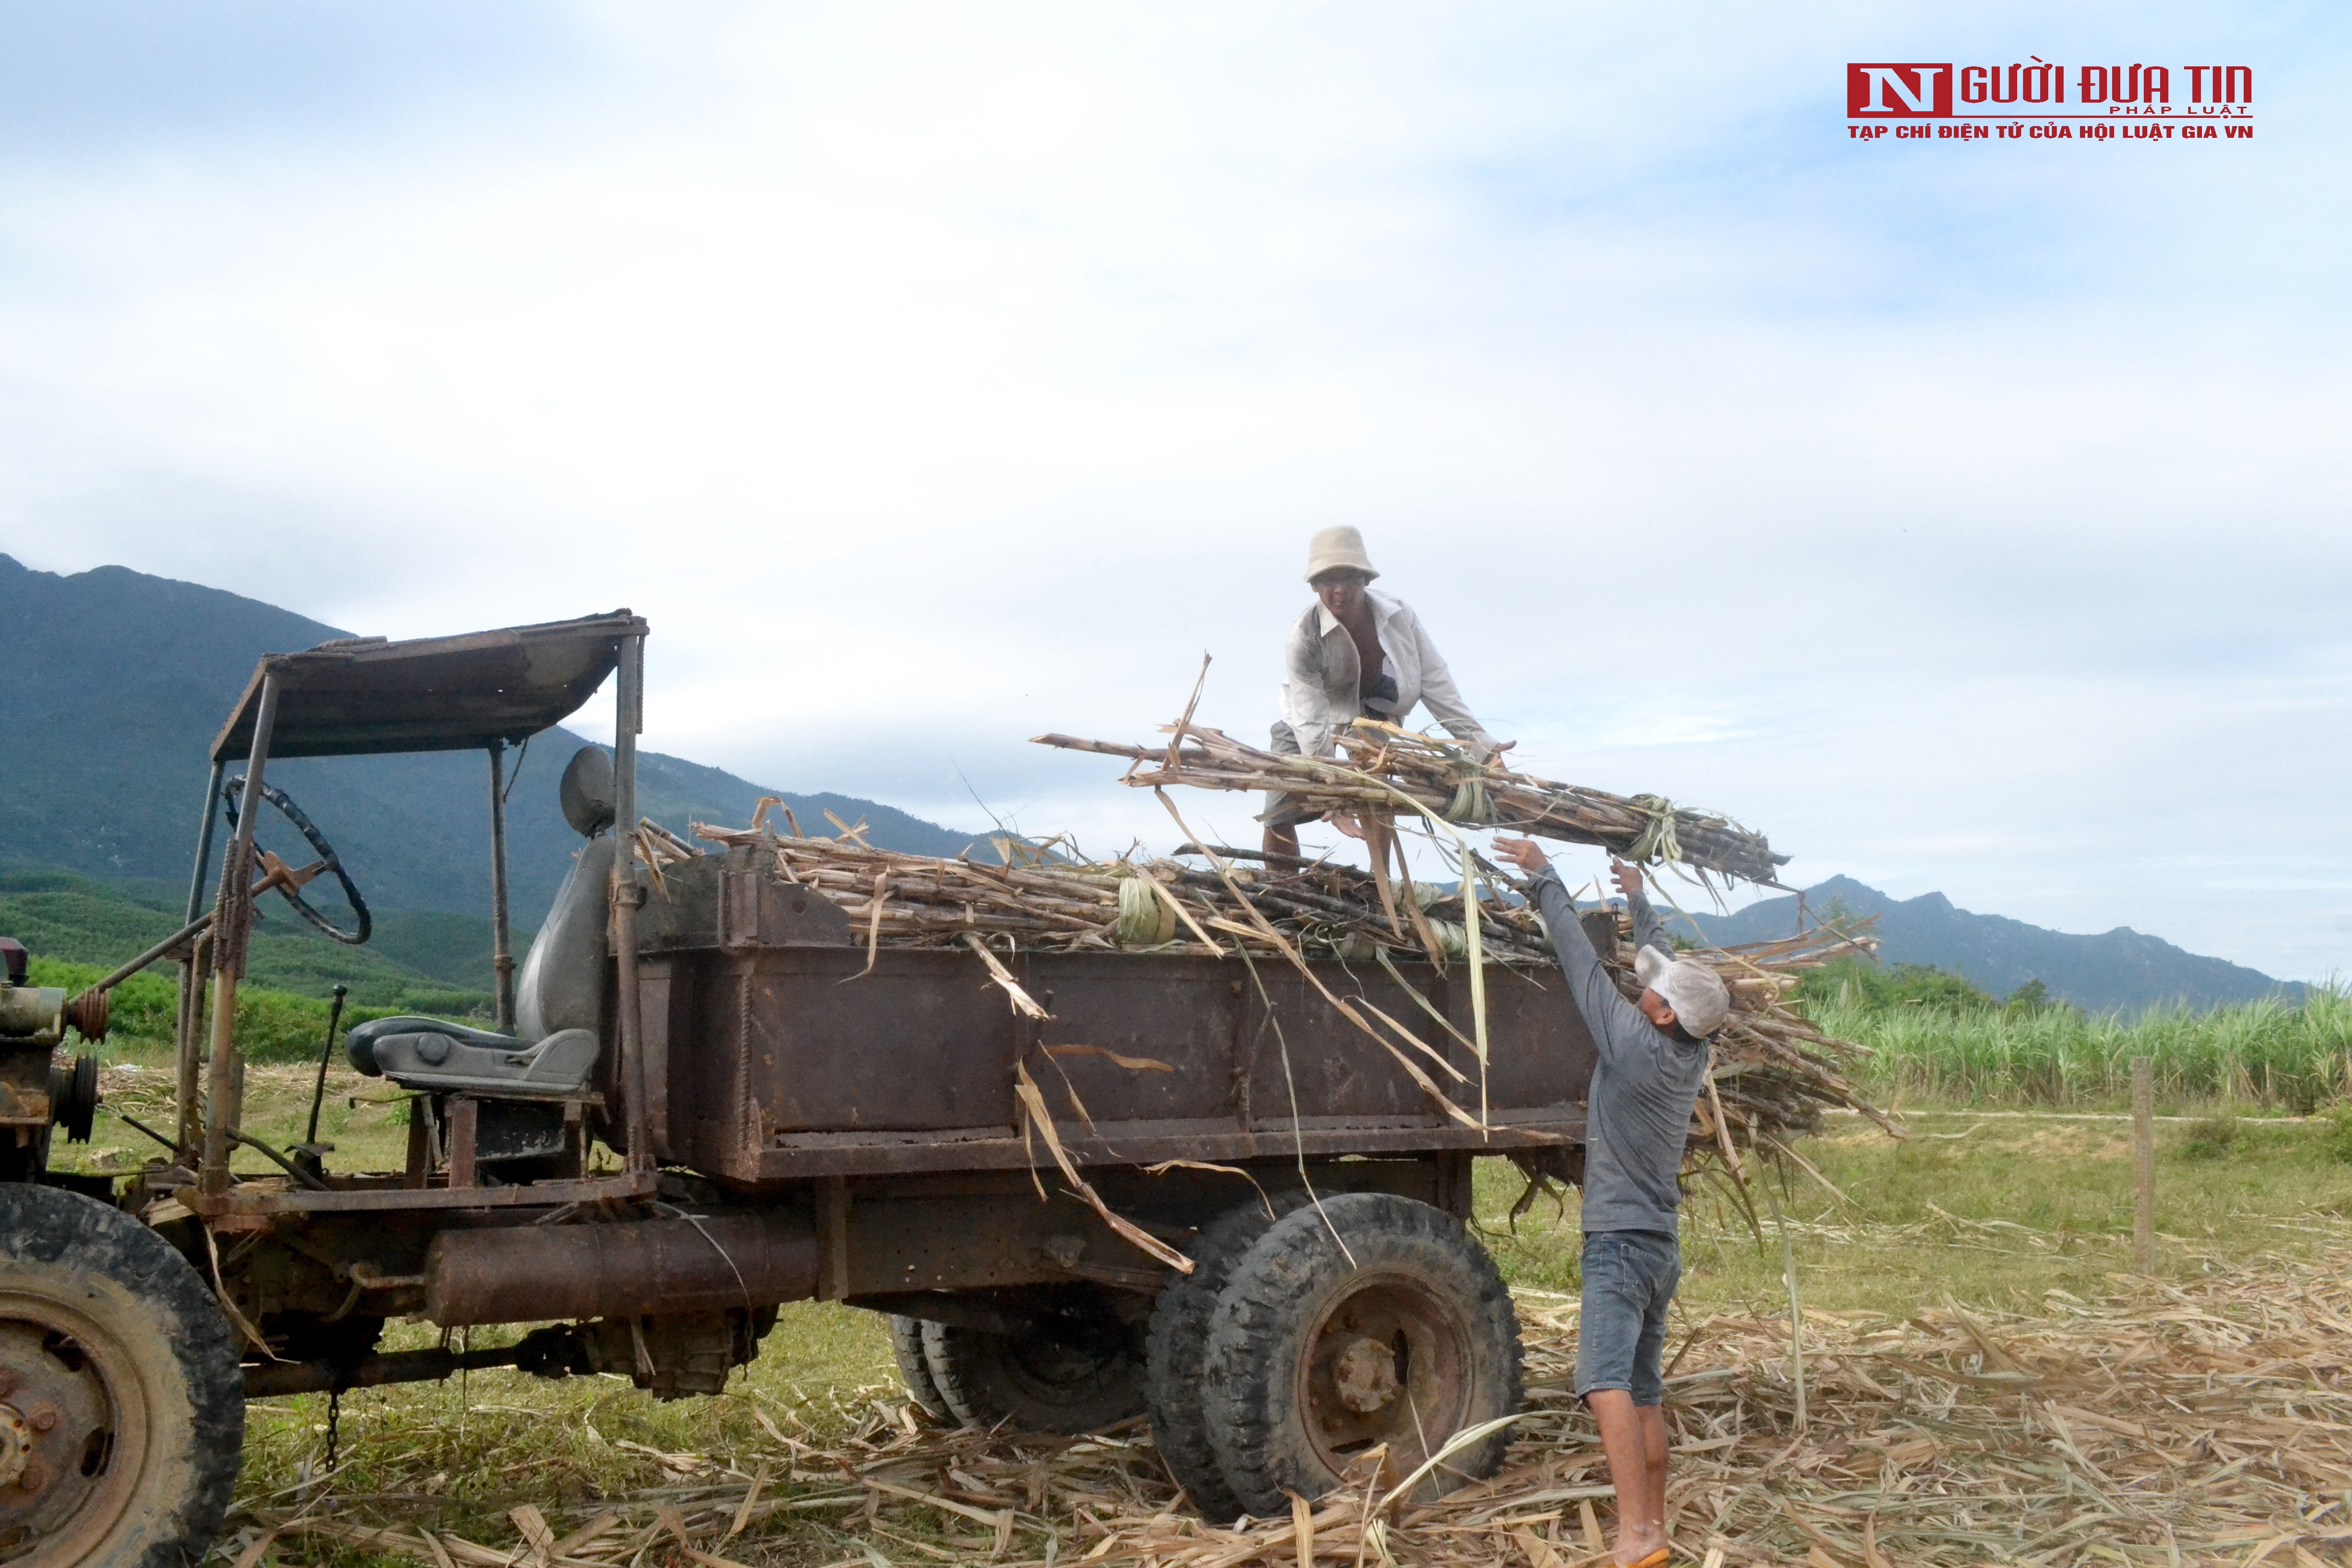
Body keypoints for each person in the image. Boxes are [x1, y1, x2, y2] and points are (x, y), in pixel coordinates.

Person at [1489, 837, 1732, 1568]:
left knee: (1601, 1384)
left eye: (1652, 992)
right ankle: (1653, 1526)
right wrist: (1637, 898)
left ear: (1660, 1018)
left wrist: (1545, 880)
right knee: (1644, 1391)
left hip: (1621, 1247)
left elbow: (1582, 968)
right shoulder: (1689, 1047)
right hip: (1660, 1247)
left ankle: (1633, 1536)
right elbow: (1663, 973)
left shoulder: (1632, 1044)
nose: (1642, 987)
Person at [1263, 526, 1509, 859]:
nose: (1339, 591)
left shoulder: (1399, 616)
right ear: (1314, 586)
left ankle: (1383, 886)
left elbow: (1435, 680)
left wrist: (1482, 747)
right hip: (1308, 722)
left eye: (1349, 578)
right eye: (1328, 581)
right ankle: (1281, 894)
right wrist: (1329, 788)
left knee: (1377, 794)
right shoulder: (1304, 637)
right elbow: (1310, 717)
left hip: (1373, 714)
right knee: (1280, 808)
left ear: (1365, 580)